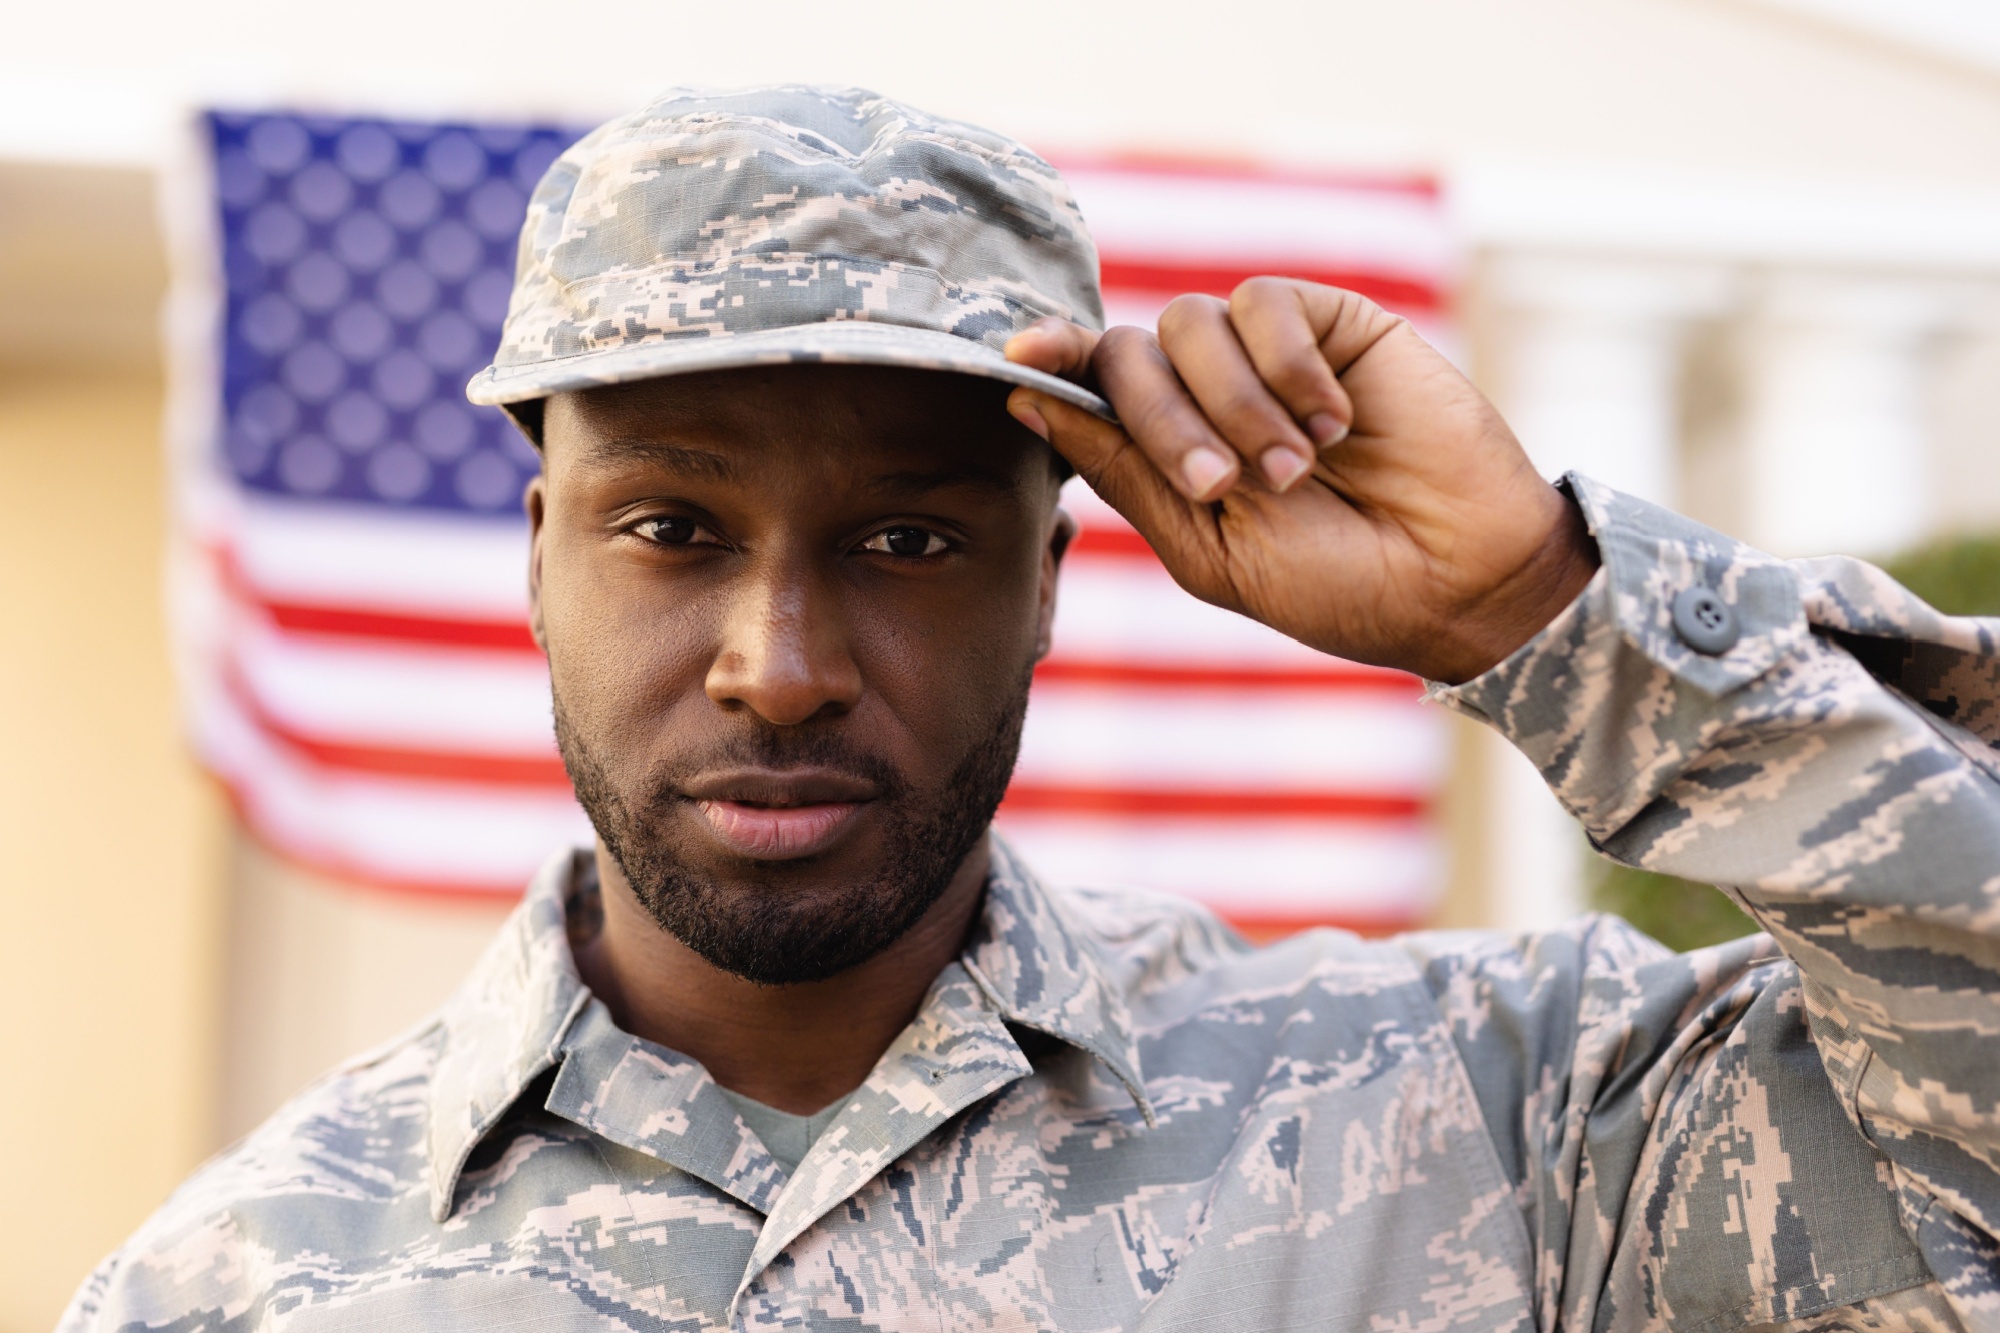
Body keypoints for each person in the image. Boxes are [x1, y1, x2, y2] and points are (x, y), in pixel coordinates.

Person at [61, 85, 2000, 1333]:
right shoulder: (240, 1287)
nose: (781, 660)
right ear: (538, 552)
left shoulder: (1494, 1118)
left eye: (905, 536)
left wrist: (1545, 607)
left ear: (1052, 578)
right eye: (670, 525)